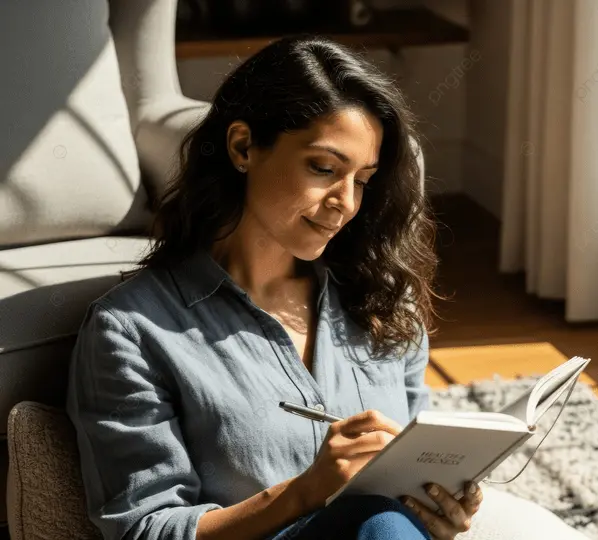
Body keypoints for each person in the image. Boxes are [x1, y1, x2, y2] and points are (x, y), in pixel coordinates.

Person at [65, 35, 482, 540]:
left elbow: (415, 457)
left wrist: (438, 505)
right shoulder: (132, 331)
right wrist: (304, 491)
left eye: (363, 180)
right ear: (244, 147)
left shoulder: (382, 298)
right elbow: (145, 530)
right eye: (323, 168)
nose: (345, 203)